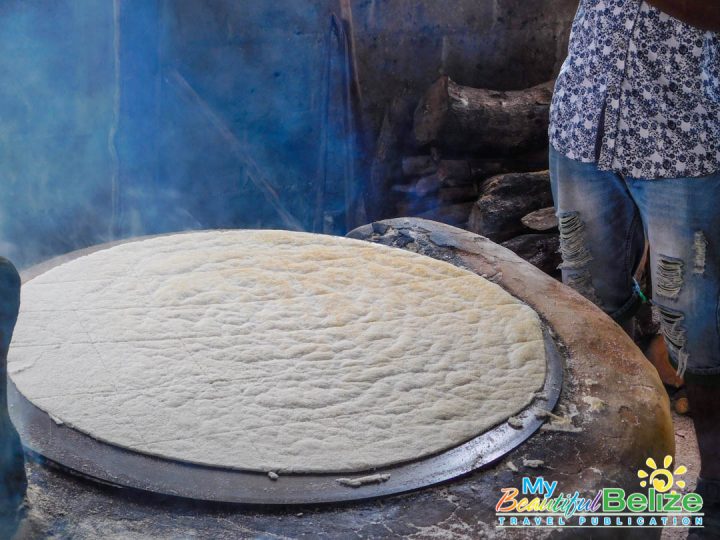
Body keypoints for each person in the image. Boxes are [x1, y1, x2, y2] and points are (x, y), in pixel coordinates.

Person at [549, 1, 720, 537]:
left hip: (685, 137)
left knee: (699, 332)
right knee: (589, 312)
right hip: (584, 119)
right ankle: (615, 487)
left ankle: (715, 493)